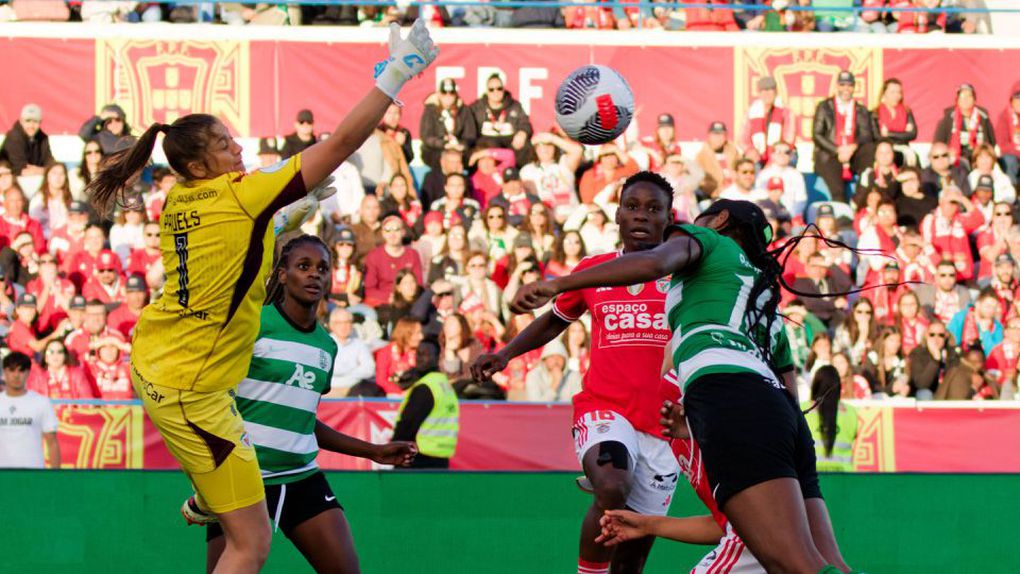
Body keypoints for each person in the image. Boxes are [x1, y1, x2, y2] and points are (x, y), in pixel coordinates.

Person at [84, 20, 436, 574]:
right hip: (190, 389)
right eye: (226, 145)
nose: (241, 147)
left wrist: (288, 213)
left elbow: (238, 246)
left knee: (241, 503)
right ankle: (211, 496)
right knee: (251, 545)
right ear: (200, 165)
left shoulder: (180, 199)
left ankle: (208, 496)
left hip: (168, 366)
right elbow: (341, 144)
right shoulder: (243, 194)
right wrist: (399, 73)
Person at [507, 198, 854, 574]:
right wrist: (699, 424)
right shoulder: (760, 299)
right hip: (783, 420)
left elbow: (655, 262)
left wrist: (559, 282)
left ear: (718, 220)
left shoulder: (705, 242)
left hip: (732, 397)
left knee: (798, 565)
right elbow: (788, 391)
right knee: (826, 562)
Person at [472, 172, 682, 574]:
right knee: (611, 485)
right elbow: (555, 319)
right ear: (617, 215)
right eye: (632, 206)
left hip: (663, 421)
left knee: (634, 550)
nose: (641, 216)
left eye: (654, 209)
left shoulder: (685, 277)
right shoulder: (593, 270)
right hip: (606, 408)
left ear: (669, 220)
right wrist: (506, 355)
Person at [203, 234, 417, 573]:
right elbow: (211, 397)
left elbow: (304, 422)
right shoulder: (252, 325)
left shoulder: (327, 347)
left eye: (322, 268)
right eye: (303, 266)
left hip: (302, 478)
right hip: (244, 481)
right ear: (283, 274)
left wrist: (373, 451)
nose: (315, 274)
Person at [392, 339, 460, 469]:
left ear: (438, 357)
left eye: (426, 354)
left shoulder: (426, 387)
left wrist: (394, 450)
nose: (420, 358)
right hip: (441, 458)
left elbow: (407, 424)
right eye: (418, 353)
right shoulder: (444, 384)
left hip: (419, 458)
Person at [812, 70, 875, 202]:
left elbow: (866, 135)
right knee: (838, 190)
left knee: (870, 149)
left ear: (853, 87)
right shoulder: (824, 107)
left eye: (849, 85)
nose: (846, 88)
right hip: (830, 154)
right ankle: (842, 218)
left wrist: (852, 147)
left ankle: (858, 199)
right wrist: (837, 150)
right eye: (842, 85)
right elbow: (817, 134)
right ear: (837, 86)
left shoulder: (861, 110)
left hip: (852, 153)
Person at [0, 352, 61, 469]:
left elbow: (52, 443)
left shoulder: (41, 403)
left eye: (21, 371)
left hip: (33, 474)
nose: (16, 375)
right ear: (4, 372)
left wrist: (55, 478)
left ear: (28, 373)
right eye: (12, 370)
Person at [468, 73, 534, 167]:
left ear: (503, 89)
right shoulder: (477, 107)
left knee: (526, 146)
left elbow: (525, 123)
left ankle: (519, 175)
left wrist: (522, 132)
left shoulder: (514, 105)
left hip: (509, 141)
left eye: (499, 88)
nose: (496, 92)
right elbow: (467, 124)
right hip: (486, 142)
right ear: (487, 91)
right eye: (491, 89)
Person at [802, 366, 858, 471]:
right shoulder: (851, 412)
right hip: (844, 478)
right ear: (838, 387)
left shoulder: (804, 410)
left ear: (815, 386)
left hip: (811, 477)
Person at [362, 215, 423, 307]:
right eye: (388, 230)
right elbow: (369, 289)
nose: (392, 234)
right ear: (383, 233)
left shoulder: (413, 254)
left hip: (408, 300)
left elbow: (419, 284)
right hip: (382, 302)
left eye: (396, 230)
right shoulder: (374, 256)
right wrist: (389, 297)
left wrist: (402, 298)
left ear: (403, 232)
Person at [934, 83, 996, 169]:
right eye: (962, 97)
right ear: (957, 100)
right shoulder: (948, 119)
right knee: (962, 164)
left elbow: (992, 142)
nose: (965, 100)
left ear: (974, 100)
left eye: (969, 96)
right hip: (956, 157)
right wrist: (948, 152)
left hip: (979, 157)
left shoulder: (983, 118)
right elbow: (938, 143)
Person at [419, 77, 475, 171]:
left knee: (468, 157)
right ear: (439, 94)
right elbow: (426, 136)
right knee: (444, 158)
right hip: (436, 149)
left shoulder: (464, 110)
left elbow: (470, 135)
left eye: (451, 93)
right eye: (444, 93)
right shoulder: (430, 110)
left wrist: (461, 145)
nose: (448, 96)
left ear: (455, 94)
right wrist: (444, 144)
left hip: (458, 147)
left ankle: (461, 183)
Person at [740, 76, 797, 167]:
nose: (767, 94)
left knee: (787, 158)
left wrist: (774, 157)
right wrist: (750, 150)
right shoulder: (751, 112)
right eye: (764, 90)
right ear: (759, 93)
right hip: (757, 155)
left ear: (775, 92)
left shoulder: (786, 111)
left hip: (780, 153)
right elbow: (743, 139)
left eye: (770, 90)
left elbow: (788, 139)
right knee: (749, 164)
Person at [326, 307, 376, 398]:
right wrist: (354, 370)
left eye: (348, 322)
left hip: (354, 388)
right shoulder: (325, 344)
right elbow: (328, 370)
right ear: (332, 325)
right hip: (330, 390)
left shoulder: (359, 344)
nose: (344, 326)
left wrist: (349, 374)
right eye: (340, 323)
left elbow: (369, 369)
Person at [871, 78, 918, 166]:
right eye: (892, 92)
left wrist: (889, 134)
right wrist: (902, 133)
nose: (896, 95)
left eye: (899, 92)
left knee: (913, 158)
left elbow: (912, 134)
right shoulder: (875, 113)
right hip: (884, 150)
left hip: (903, 148)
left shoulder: (907, 111)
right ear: (884, 94)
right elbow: (877, 136)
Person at [0, 104, 54, 176]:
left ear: (40, 122)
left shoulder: (43, 138)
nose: (31, 125)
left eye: (35, 121)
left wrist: (41, 170)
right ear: (21, 121)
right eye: (28, 121)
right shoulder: (14, 138)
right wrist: (45, 171)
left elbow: (51, 163)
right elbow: (21, 170)